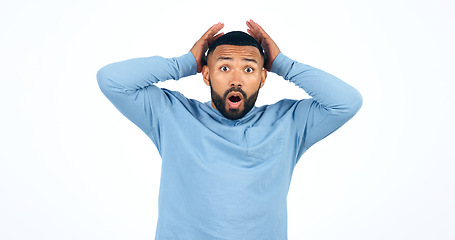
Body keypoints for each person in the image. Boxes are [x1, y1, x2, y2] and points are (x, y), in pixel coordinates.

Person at [97, 20, 362, 240]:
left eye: (249, 69)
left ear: (262, 77)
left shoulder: (289, 122)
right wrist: (186, 62)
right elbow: (111, 80)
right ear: (206, 75)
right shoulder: (172, 115)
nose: (236, 80)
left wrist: (283, 63)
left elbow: (346, 102)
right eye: (224, 67)